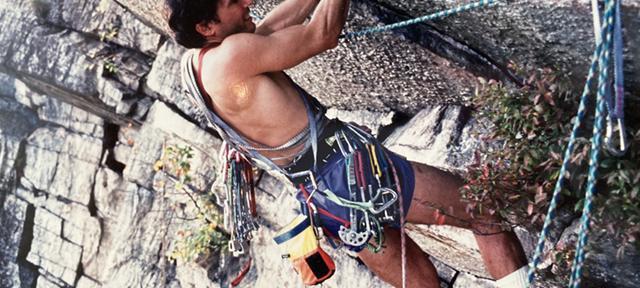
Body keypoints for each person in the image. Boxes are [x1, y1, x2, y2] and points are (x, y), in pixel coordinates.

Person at [164, 0, 529, 287]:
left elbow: (272, 28)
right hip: (358, 172)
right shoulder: (233, 55)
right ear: (206, 26)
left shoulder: (199, 67)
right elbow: (322, 33)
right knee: (484, 210)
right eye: (231, 2)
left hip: (329, 203)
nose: (247, 2)